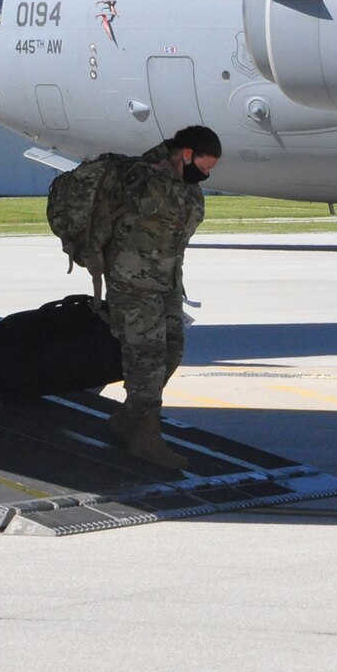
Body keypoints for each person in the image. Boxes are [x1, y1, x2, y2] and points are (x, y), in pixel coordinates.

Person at [90, 124, 221, 469]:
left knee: (173, 350)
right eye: (205, 166)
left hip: (166, 284)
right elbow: (134, 211)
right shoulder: (143, 177)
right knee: (146, 358)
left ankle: (128, 418)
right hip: (133, 284)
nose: (206, 174)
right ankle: (146, 438)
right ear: (187, 154)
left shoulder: (186, 186)